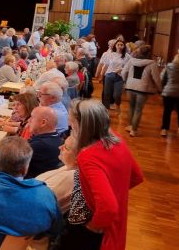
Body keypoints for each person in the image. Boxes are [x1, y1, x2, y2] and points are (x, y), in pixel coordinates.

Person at [67, 99, 143, 250]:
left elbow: (108, 207)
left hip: (100, 232)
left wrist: (93, 226)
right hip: (117, 223)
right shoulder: (117, 139)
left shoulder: (87, 156)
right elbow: (136, 176)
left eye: (72, 122)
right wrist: (114, 191)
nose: (70, 125)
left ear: (83, 125)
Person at [121, 45, 162, 137]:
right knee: (138, 109)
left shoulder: (131, 61)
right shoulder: (152, 63)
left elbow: (123, 72)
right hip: (143, 89)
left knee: (131, 107)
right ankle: (134, 130)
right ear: (149, 53)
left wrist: (125, 81)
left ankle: (130, 126)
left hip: (130, 87)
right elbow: (156, 79)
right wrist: (160, 89)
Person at [36, 135, 78, 214]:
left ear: (78, 158)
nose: (60, 147)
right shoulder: (68, 166)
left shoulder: (70, 176)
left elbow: (37, 201)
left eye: (65, 147)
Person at [25, 106, 62, 178]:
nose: (28, 120)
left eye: (32, 117)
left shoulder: (41, 145)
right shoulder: (55, 137)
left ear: (43, 123)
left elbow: (9, 158)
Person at [102, 40, 130, 111]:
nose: (120, 46)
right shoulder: (111, 54)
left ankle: (117, 104)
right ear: (115, 45)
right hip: (109, 75)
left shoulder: (127, 56)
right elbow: (106, 65)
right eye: (118, 44)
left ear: (124, 46)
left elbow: (129, 67)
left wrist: (121, 69)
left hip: (120, 77)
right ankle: (106, 109)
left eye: (121, 45)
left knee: (117, 95)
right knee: (107, 93)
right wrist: (102, 74)